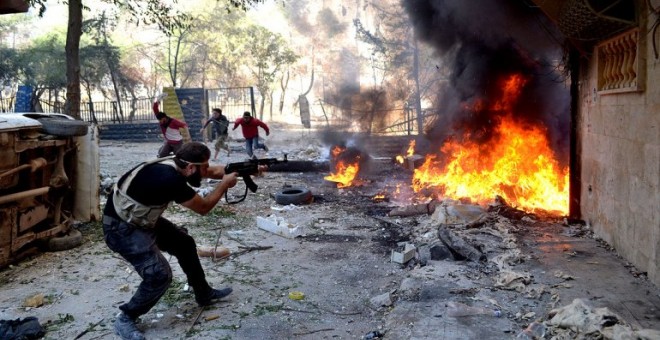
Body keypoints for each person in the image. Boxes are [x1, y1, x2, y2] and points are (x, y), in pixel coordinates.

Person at [103, 142, 261, 340]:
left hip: (139, 219)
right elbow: (203, 208)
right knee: (159, 275)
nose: (206, 171)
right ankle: (126, 316)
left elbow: (211, 170)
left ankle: (203, 293)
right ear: (191, 168)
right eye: (202, 167)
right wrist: (223, 184)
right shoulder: (170, 179)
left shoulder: (175, 163)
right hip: (121, 228)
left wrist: (246, 170)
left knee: (184, 243)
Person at [153, 93, 190, 158]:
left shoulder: (173, 121)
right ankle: (164, 149)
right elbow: (155, 108)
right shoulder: (160, 117)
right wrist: (158, 100)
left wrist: (188, 136)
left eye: (160, 120)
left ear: (164, 118)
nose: (160, 122)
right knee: (161, 155)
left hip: (177, 142)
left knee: (178, 157)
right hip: (168, 142)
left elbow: (184, 125)